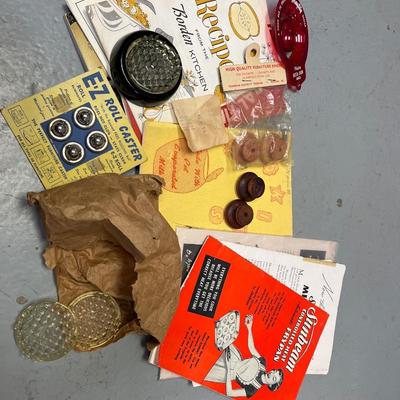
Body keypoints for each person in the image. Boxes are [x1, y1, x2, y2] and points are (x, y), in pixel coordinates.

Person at [204, 314, 284, 398]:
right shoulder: (262, 363)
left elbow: (230, 393)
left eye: (273, 378)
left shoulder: (252, 389)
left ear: (271, 385)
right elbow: (252, 348)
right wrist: (249, 328)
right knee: (213, 335)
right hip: (233, 356)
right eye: (273, 371)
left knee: (203, 365)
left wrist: (228, 367)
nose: (271, 374)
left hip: (225, 372)